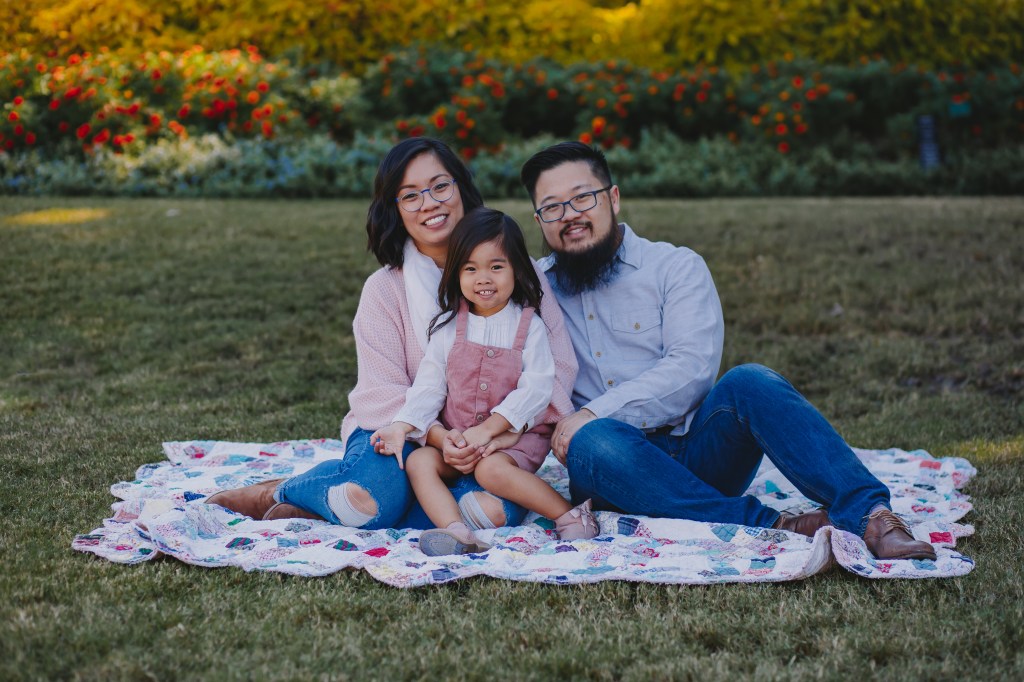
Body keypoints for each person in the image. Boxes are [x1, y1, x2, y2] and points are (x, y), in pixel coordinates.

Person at [518, 141, 937, 561]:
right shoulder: (533, 291)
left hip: (700, 452)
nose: (569, 215)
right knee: (592, 439)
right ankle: (775, 525)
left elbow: (691, 369)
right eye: (552, 207)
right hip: (612, 468)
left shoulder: (674, 267)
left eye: (582, 198)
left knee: (750, 381)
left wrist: (595, 411)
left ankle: (870, 518)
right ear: (539, 220)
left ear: (613, 198)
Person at [206, 138, 579, 540]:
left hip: (496, 444)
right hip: (403, 430)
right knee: (372, 499)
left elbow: (557, 369)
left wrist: (500, 430)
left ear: (461, 189)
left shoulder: (516, 273)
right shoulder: (384, 289)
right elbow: (380, 394)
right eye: (410, 195)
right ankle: (285, 492)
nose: (430, 203)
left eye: (440, 186)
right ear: (395, 209)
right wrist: (440, 437)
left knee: (488, 513)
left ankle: (335, 506)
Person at [370, 207, 597, 556]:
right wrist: (403, 425)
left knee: (491, 471)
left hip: (511, 441)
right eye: (470, 268)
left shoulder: (529, 327)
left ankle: (569, 515)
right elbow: (429, 386)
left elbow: (537, 387)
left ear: (517, 269)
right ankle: (456, 531)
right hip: (460, 439)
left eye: (496, 267)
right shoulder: (448, 328)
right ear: (456, 273)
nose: (483, 279)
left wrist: (489, 430)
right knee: (419, 462)